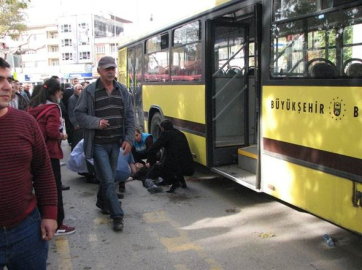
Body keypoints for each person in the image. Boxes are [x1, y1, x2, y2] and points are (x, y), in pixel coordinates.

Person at [0, 57, 58, 269]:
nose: (7, 87)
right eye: (0, 80)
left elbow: (43, 170)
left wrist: (50, 214)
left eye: (8, 79)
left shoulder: (25, 122)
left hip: (27, 230)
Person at [75, 56, 135, 232]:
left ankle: (102, 201)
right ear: (99, 71)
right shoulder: (90, 91)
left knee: (107, 178)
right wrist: (96, 122)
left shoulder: (122, 90)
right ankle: (117, 215)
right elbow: (78, 114)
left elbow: (130, 116)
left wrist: (129, 139)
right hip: (98, 144)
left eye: (113, 68)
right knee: (109, 179)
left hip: (115, 143)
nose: (111, 72)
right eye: (107, 69)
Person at [28, 78, 75, 236]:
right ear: (55, 92)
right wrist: (62, 135)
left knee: (40, 188)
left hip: (35, 152)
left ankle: (42, 218)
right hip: (50, 152)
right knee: (53, 189)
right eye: (60, 90)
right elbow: (51, 132)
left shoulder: (33, 106)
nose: (62, 93)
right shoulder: (53, 108)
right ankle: (58, 223)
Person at [143, 119, 195, 193]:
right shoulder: (181, 134)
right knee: (175, 161)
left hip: (173, 168)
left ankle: (169, 182)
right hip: (188, 167)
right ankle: (180, 182)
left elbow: (152, 149)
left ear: (162, 128)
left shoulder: (166, 134)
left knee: (159, 168)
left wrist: (152, 164)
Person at [68, 83, 83, 151]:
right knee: (76, 141)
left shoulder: (82, 97)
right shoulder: (72, 99)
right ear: (75, 90)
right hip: (77, 124)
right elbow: (71, 112)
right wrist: (75, 123)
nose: (80, 90)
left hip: (82, 123)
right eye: (78, 89)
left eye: (81, 89)